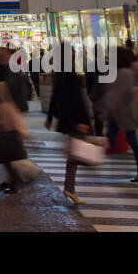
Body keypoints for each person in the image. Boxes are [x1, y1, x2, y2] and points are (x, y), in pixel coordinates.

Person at [45, 45, 92, 205]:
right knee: (75, 155)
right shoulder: (69, 74)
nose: (74, 56)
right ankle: (69, 189)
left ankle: (69, 188)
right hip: (75, 119)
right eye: (72, 54)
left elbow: (55, 96)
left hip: (69, 119)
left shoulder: (59, 73)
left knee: (74, 154)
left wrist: (50, 117)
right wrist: (80, 121)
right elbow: (75, 100)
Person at [100, 46, 138, 182]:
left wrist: (108, 109)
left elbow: (117, 94)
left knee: (126, 141)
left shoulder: (120, 73)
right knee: (126, 141)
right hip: (122, 112)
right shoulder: (124, 73)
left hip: (121, 113)